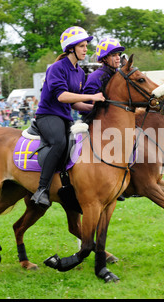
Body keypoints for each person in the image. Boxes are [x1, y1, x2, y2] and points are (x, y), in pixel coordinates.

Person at [30, 26, 105, 207]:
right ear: (71, 48)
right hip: (47, 116)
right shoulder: (56, 68)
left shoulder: (79, 72)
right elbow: (62, 96)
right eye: (82, 46)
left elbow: (73, 103)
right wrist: (91, 96)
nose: (86, 49)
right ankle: (41, 190)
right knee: (60, 142)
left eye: (86, 46)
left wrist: (96, 107)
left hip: (65, 117)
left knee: (83, 143)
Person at [82, 37, 125, 118]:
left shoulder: (120, 74)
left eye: (119, 54)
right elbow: (84, 109)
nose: (118, 58)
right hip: (96, 121)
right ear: (104, 58)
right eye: (113, 55)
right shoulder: (95, 77)